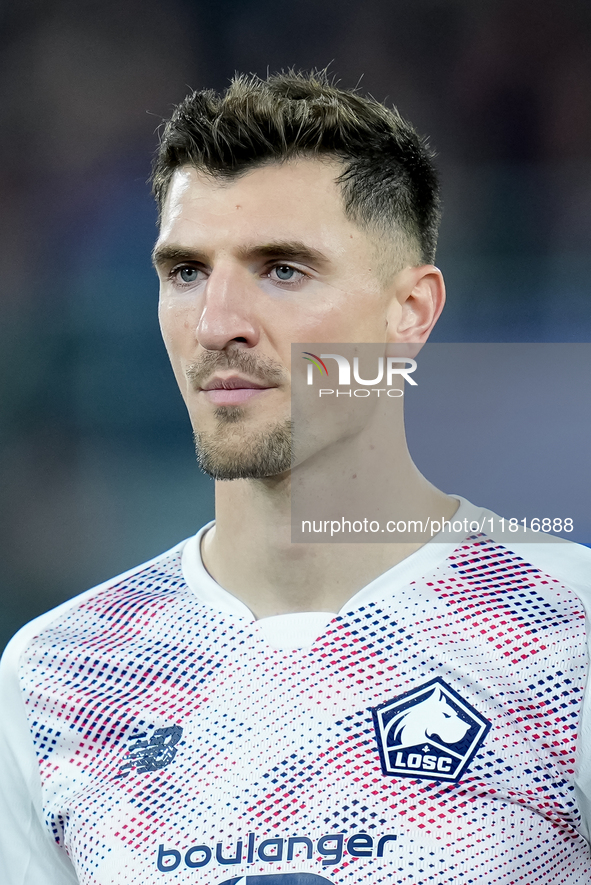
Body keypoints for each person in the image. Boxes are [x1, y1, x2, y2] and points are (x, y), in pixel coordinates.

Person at [1, 70, 590, 885]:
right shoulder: (61, 673)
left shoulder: (567, 632)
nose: (217, 324)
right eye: (185, 272)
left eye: (282, 269)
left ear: (408, 313)